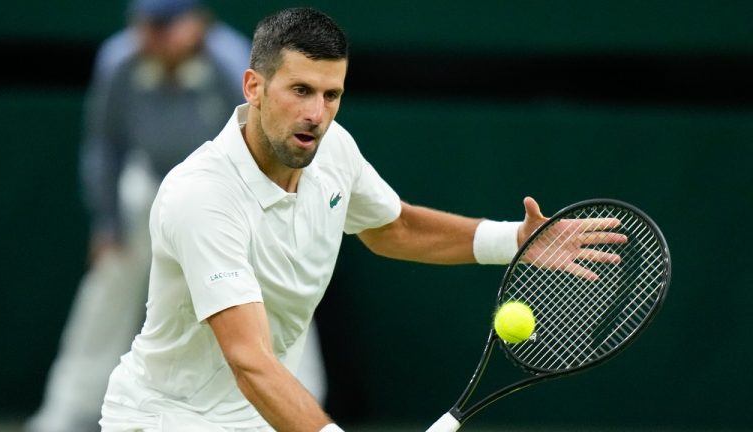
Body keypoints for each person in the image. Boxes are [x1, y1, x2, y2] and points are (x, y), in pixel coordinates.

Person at [99, 7, 622, 432]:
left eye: (332, 96)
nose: (317, 114)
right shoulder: (202, 197)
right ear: (253, 87)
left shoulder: (333, 151)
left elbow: (393, 227)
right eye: (300, 90)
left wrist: (514, 240)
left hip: (253, 417)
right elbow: (250, 360)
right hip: (165, 419)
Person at [26, 2, 320, 431]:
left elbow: (270, 140)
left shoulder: (230, 63)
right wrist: (108, 221)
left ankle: (300, 407)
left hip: (235, 191)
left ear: (198, 23)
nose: (153, 35)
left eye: (166, 24)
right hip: (150, 187)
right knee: (108, 285)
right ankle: (65, 416)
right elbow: (104, 146)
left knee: (275, 286)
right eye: (145, 24)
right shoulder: (119, 62)